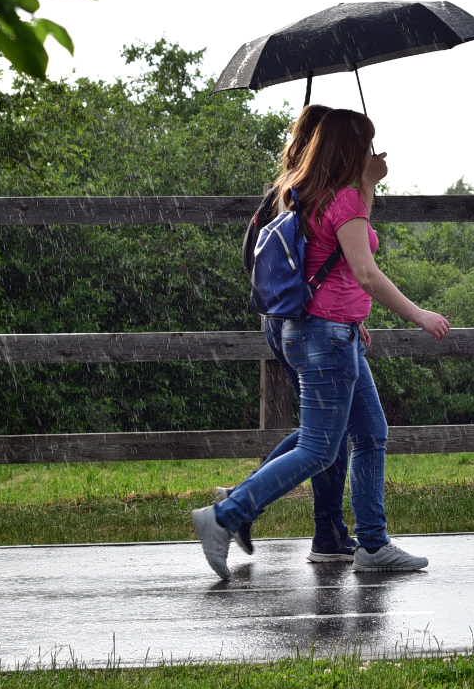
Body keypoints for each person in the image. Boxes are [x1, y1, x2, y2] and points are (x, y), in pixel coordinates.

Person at [193, 108, 451, 577]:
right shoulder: (345, 198)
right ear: (351, 148)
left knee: (371, 434)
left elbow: (329, 258)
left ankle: (372, 545)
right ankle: (225, 515)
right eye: (366, 143)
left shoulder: (308, 192)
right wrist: (418, 314)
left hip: (332, 332)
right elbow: (365, 271)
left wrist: (366, 186)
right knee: (318, 448)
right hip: (326, 337)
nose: (373, 152)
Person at [223, 104, 362, 562]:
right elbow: (343, 259)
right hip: (307, 319)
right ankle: (244, 504)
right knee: (322, 438)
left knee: (325, 433)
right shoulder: (309, 191)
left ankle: (326, 530)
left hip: (283, 317)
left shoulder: (283, 188)